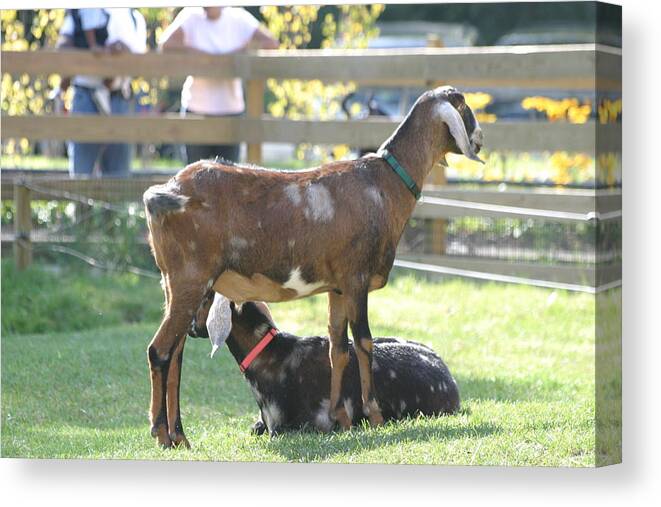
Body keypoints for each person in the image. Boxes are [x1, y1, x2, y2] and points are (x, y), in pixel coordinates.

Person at [159, 6, 278, 164]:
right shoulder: (191, 15)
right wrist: (200, 55)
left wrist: (238, 53)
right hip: (196, 110)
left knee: (229, 178)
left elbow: (271, 43)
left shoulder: (239, 18)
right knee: (195, 177)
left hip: (230, 111)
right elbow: (166, 45)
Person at [56, 8, 147, 177]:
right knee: (81, 176)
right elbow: (63, 48)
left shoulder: (134, 16)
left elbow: (139, 66)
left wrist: (121, 54)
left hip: (120, 97)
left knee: (118, 178)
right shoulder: (80, 11)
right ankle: (81, 204)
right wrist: (93, 55)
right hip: (86, 95)